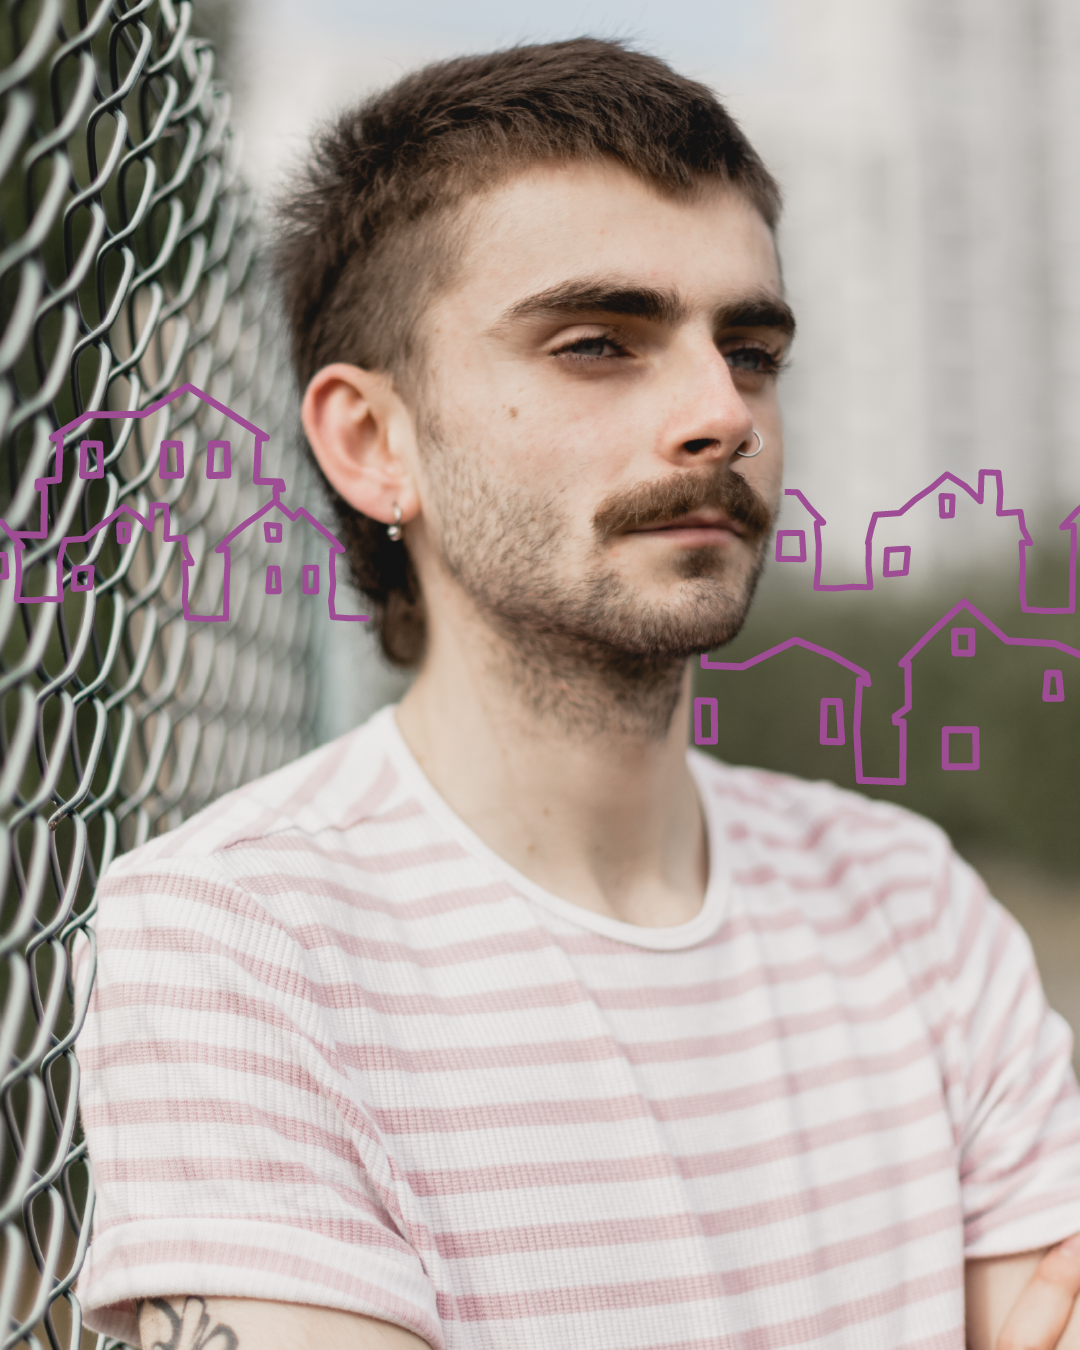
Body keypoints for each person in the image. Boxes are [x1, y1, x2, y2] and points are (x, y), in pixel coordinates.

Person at [75, 38, 1080, 1350]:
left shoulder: (914, 905)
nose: (722, 410)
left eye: (753, 349)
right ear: (374, 443)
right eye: (601, 342)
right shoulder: (239, 937)